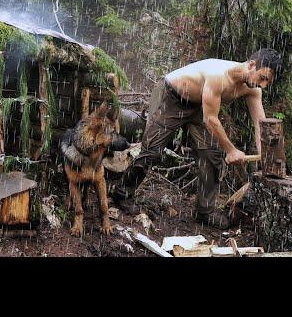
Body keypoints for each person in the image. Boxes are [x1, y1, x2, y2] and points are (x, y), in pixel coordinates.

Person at [112, 48, 283, 229]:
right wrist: (231, 150)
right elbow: (210, 119)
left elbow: (261, 125)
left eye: (267, 82)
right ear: (251, 65)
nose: (262, 85)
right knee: (152, 150)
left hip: (199, 105)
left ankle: (205, 212)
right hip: (171, 96)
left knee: (210, 155)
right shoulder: (219, 76)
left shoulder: (253, 90)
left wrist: (267, 156)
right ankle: (122, 194)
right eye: (262, 78)